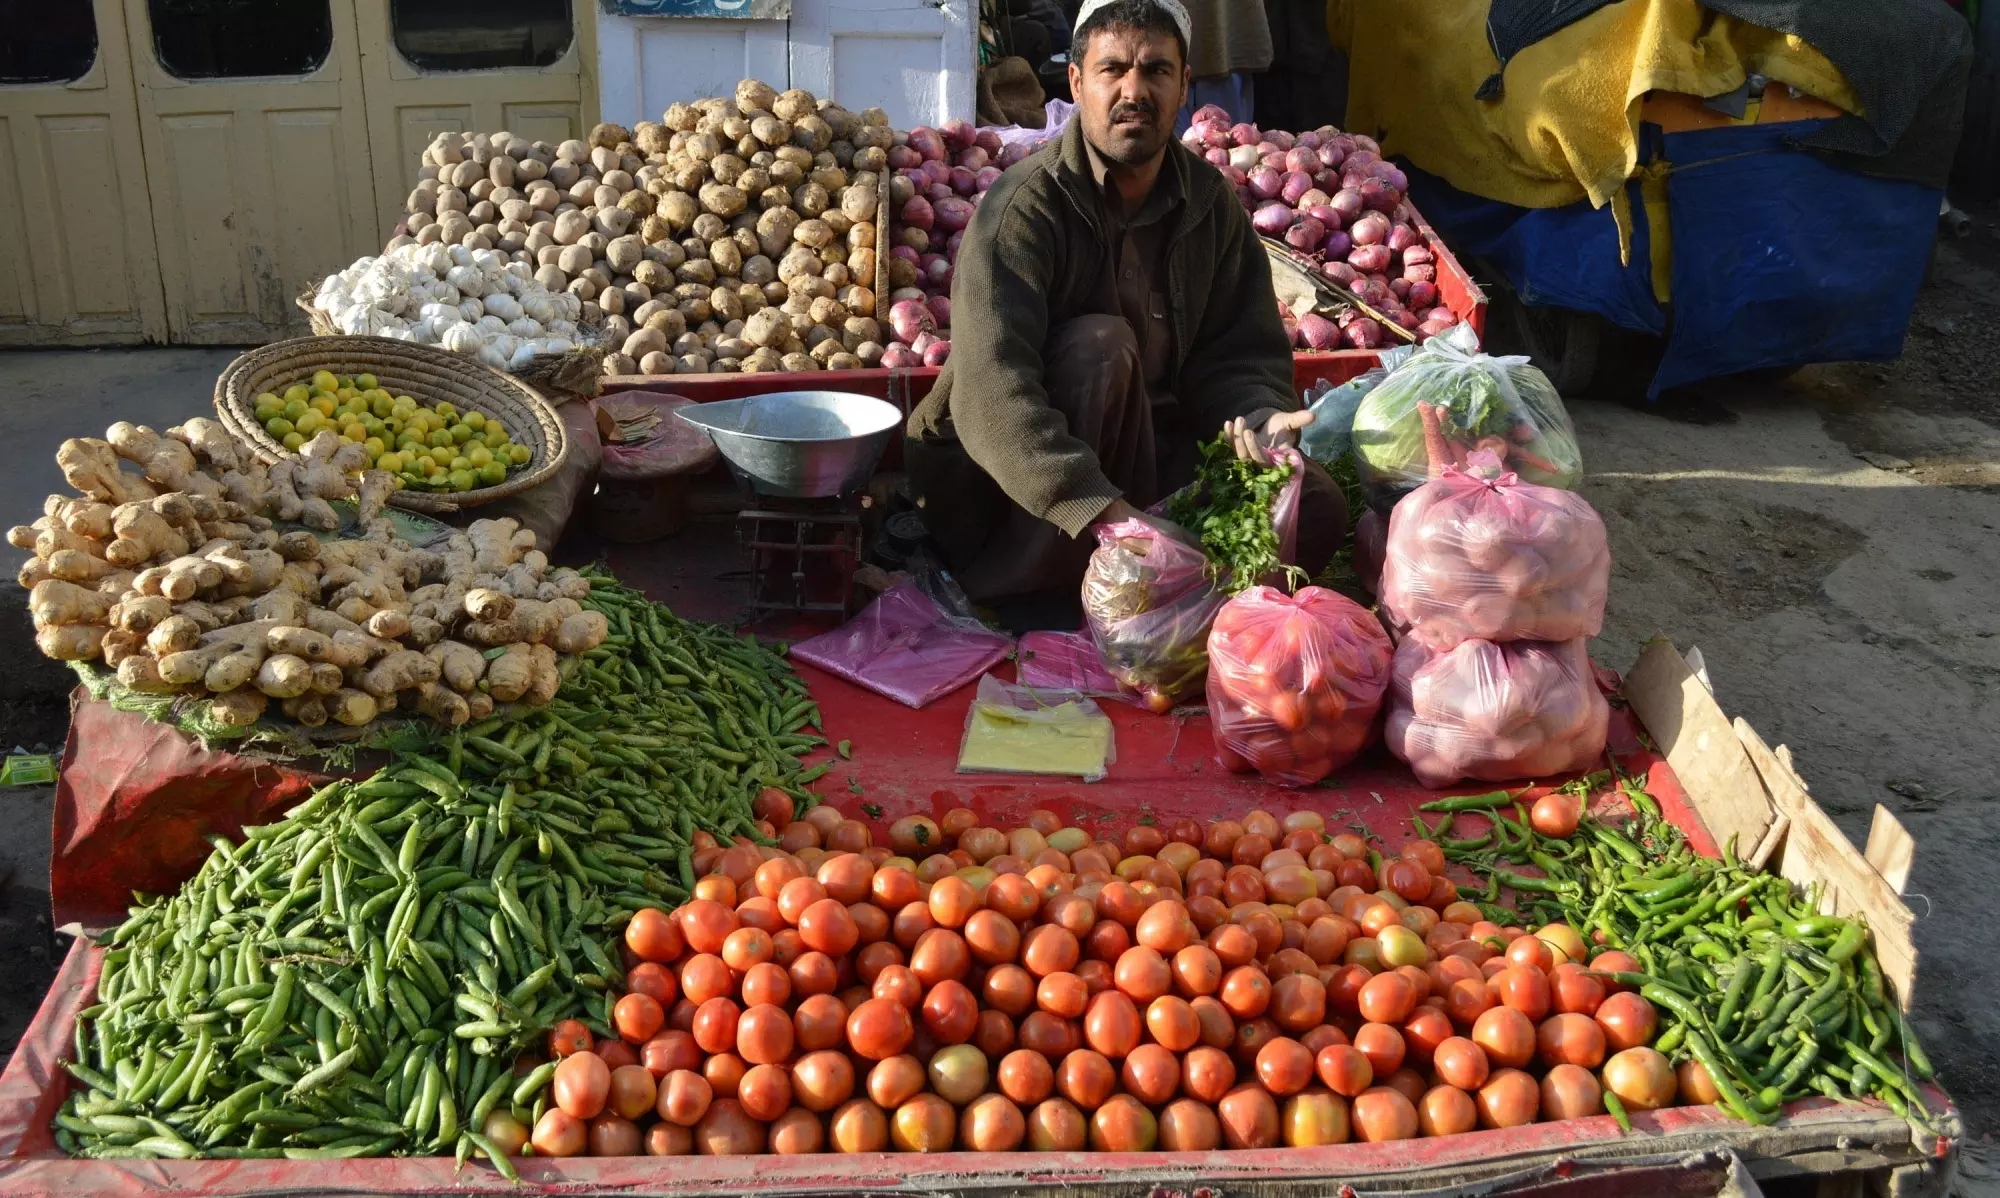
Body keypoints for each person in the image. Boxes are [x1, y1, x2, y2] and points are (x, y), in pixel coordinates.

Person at [904, 0, 1346, 605]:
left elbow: (1240, 355)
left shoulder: (1208, 201)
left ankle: (1170, 586)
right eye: (1113, 70)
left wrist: (1262, 419)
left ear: (1185, 84)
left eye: (1157, 71)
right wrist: (1110, 516)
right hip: (1019, 485)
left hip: (1152, 450)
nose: (1134, 91)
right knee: (1099, 348)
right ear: (1077, 82)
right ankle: (1044, 593)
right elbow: (991, 392)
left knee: (1314, 505)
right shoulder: (1024, 209)